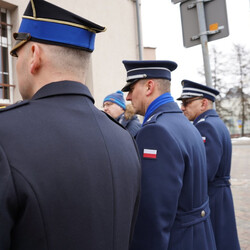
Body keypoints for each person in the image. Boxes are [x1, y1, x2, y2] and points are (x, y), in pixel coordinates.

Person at [0, 1, 141, 249]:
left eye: (16, 53)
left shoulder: (6, 133)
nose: (15, 62)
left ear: (34, 55)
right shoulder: (123, 139)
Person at [121, 60, 216, 250]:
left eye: (131, 89)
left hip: (177, 240)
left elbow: (153, 214)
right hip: (198, 236)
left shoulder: (155, 131)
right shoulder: (182, 123)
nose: (129, 97)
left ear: (149, 86)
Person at [177, 79, 240, 250]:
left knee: (218, 240)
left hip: (213, 195)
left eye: (187, 102)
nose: (182, 107)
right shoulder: (215, 123)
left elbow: (204, 173)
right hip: (220, 193)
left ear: (204, 103)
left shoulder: (205, 127)